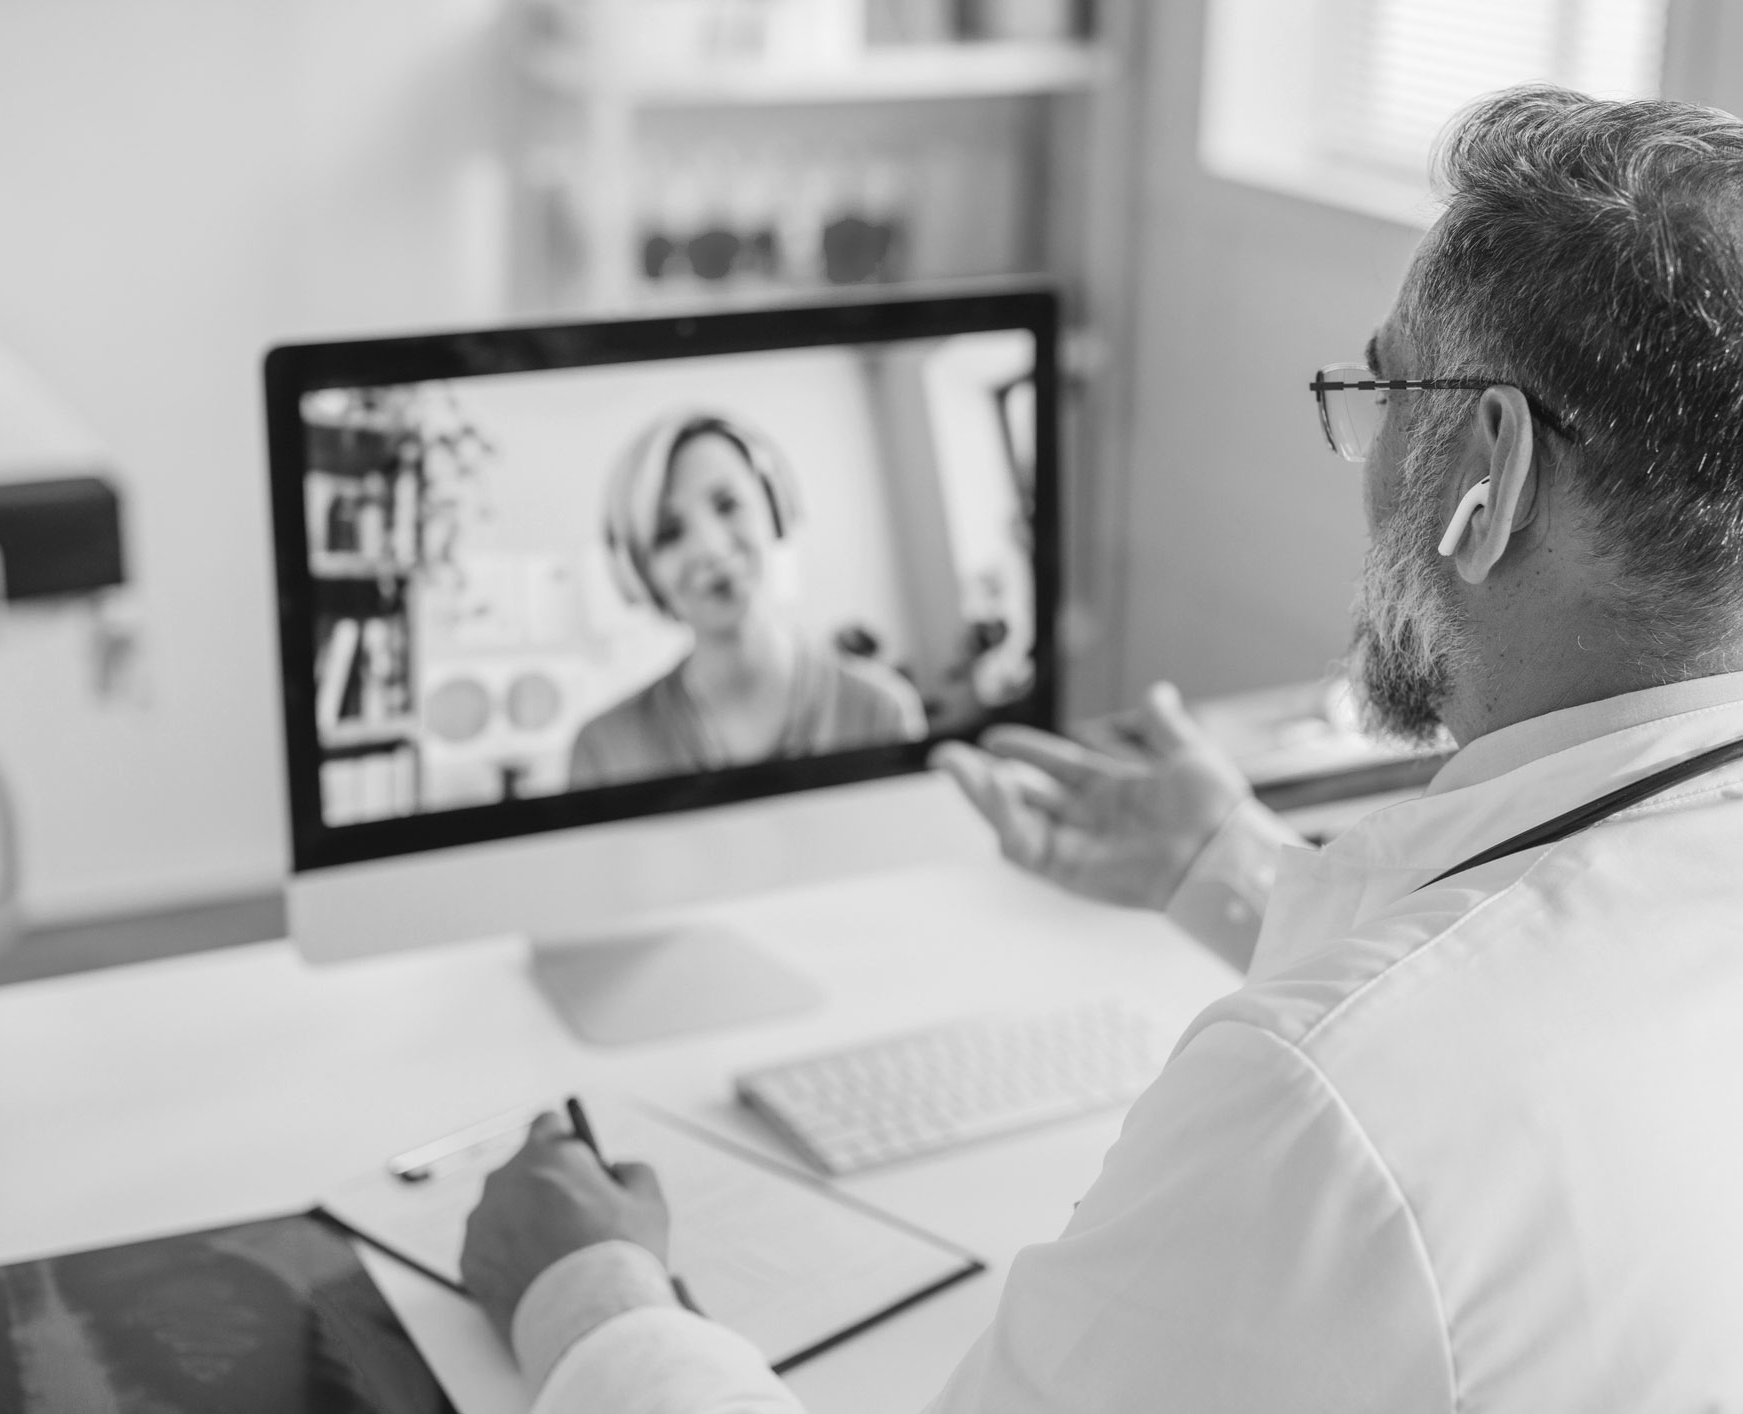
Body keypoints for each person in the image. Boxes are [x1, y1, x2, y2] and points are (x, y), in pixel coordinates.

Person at [462, 87, 1743, 1410]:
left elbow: (1396, 1069)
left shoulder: (1311, 1111)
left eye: (1382, 389)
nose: (1361, 460)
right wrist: (1220, 866)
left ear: (1490, 471)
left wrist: (590, 1298)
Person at [567, 411, 926, 788]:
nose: (711, 548)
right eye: (669, 532)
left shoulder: (881, 710)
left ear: (775, 508)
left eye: (727, 505)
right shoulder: (602, 752)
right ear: (641, 573)